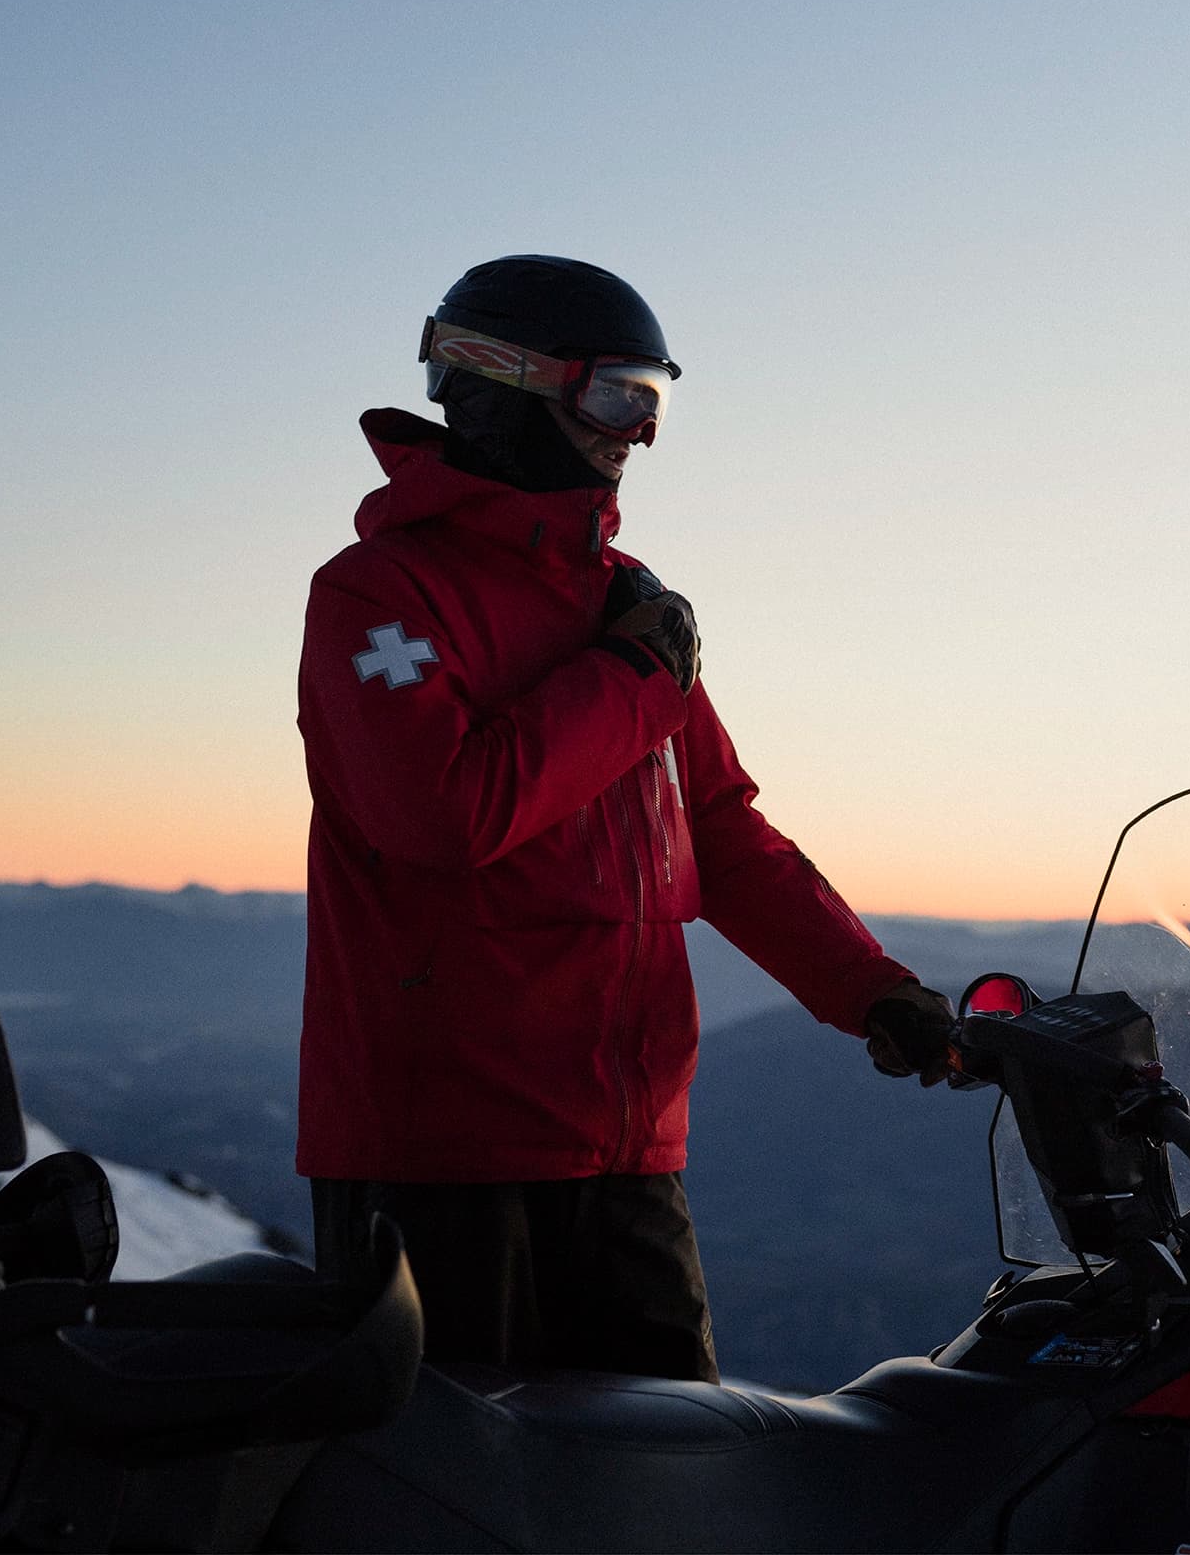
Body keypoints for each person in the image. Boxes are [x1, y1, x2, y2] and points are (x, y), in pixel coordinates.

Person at [296, 255, 954, 1383]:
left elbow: (720, 829)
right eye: (616, 395)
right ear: (502, 380)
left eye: (656, 403)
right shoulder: (378, 594)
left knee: (674, 1465)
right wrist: (630, 677)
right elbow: (444, 817)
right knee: (462, 1474)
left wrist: (868, 989)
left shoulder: (624, 600)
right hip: (440, 1157)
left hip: (626, 1150)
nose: (639, 434)